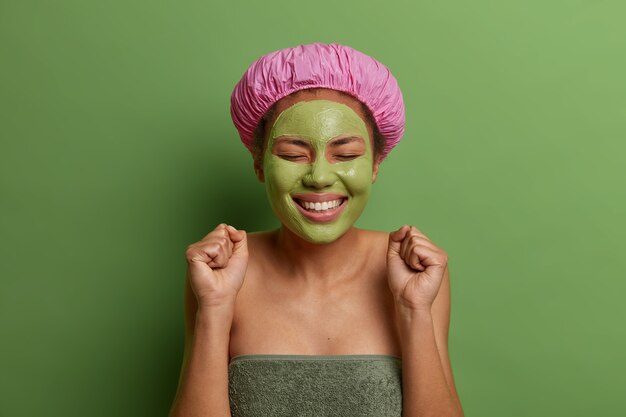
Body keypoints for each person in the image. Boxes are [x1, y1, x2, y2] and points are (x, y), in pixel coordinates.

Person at [169, 43, 464, 417]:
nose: (320, 177)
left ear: (375, 164)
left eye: (345, 154)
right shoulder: (220, 273)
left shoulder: (414, 273)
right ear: (259, 164)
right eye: (294, 155)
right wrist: (214, 307)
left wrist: (413, 309)